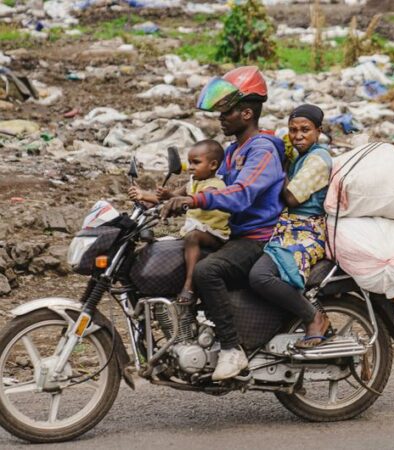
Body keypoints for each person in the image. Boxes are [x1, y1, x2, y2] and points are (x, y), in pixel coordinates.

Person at [162, 66, 286, 381]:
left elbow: (241, 194)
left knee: (207, 271)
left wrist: (195, 201)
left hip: (259, 238)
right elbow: (212, 186)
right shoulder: (232, 151)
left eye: (226, 111)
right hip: (235, 234)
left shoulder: (262, 151)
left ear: (247, 113)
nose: (221, 117)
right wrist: (170, 198)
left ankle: (232, 349)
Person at [249, 104, 332, 349]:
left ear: (318, 131)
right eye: (293, 130)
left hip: (306, 233)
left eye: (305, 130)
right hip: (287, 228)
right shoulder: (300, 157)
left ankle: (313, 317)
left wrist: (276, 165)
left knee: (260, 276)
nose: (298, 136)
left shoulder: (318, 159)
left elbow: (292, 197)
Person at [129, 140, 230, 305]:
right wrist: (143, 195)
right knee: (154, 239)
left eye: (196, 162)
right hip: (193, 228)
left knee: (192, 237)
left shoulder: (215, 185)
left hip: (214, 233)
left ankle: (189, 285)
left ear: (213, 165)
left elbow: (198, 198)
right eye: (189, 162)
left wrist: (176, 199)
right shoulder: (192, 182)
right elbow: (173, 198)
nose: (191, 167)